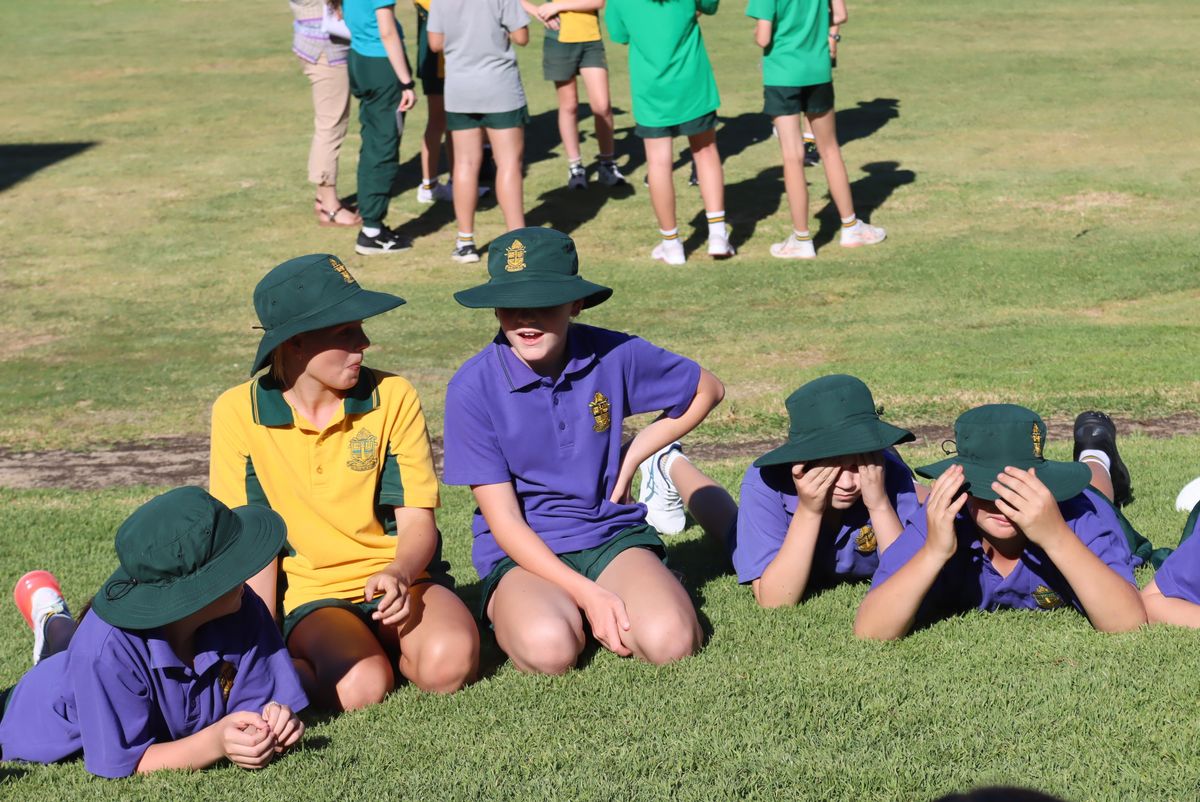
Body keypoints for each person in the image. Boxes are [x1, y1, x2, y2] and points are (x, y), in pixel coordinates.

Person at [442, 227, 736, 674]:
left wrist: (634, 455)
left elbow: (707, 389)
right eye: (510, 303)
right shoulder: (471, 388)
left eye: (545, 302)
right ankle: (549, 604)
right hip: (525, 548)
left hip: (607, 532)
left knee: (673, 642)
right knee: (550, 651)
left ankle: (635, 588)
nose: (526, 317)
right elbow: (504, 522)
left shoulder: (613, 353)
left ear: (576, 304)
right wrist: (588, 594)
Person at [209, 254, 479, 711]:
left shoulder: (393, 395)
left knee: (448, 666)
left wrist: (400, 573)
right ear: (295, 343)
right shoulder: (237, 412)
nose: (364, 342)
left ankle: (391, 647)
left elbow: (418, 523)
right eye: (345, 333)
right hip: (315, 595)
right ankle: (320, 659)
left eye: (361, 328)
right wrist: (260, 649)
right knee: (361, 688)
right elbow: (251, 545)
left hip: (406, 577)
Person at [0, 487, 308, 778]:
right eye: (232, 564)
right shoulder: (103, 650)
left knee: (69, 650)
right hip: (34, 710)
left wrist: (272, 722)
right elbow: (129, 762)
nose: (246, 570)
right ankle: (51, 617)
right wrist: (215, 743)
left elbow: (257, 704)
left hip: (82, 661)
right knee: (72, 656)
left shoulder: (240, 604)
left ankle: (52, 619)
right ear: (194, 593)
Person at [854, 404, 1147, 640]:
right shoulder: (944, 514)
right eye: (986, 490)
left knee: (1097, 491)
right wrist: (934, 551)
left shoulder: (1077, 514)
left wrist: (1056, 536)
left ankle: (1095, 450)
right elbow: (871, 630)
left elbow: (1128, 622)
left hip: (1089, 502)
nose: (1001, 505)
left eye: (1016, 491)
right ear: (962, 486)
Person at [729, 375, 919, 607]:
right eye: (833, 469)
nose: (848, 483)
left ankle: (920, 488)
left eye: (856, 467)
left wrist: (879, 504)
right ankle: (682, 469)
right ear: (802, 462)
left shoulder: (889, 473)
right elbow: (775, 601)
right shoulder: (764, 484)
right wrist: (809, 510)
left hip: (894, 479)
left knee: (923, 498)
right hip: (745, 526)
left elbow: (910, 583)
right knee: (726, 526)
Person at [748, 0, 886, 259]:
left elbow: (763, 38)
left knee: (792, 157)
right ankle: (850, 226)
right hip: (817, 70)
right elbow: (840, 14)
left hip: (782, 74)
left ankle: (802, 238)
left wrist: (761, 31)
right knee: (830, 149)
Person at [606, 0, 734, 264]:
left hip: (651, 90)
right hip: (692, 84)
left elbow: (619, 34)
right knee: (706, 152)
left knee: (658, 163)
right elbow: (710, 6)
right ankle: (717, 235)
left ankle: (671, 244)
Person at [428, 0, 530, 263]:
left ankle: (465, 242)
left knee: (464, 164)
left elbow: (435, 43)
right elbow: (522, 37)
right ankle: (517, 242)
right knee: (508, 164)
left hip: (460, 89)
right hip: (500, 87)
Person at [338, 0, 418, 254]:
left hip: (360, 59)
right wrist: (406, 82)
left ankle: (372, 221)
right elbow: (387, 31)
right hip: (380, 64)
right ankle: (371, 232)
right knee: (383, 145)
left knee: (373, 142)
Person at [520, 0, 626, 189]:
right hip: (558, 40)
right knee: (569, 106)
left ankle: (607, 164)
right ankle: (575, 166)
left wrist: (557, 6)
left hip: (591, 40)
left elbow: (598, 2)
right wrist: (536, 11)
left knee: (602, 107)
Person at [291, 0, 361, 227]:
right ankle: (329, 207)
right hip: (325, 48)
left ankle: (324, 198)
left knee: (330, 123)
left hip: (314, 41)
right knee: (331, 126)